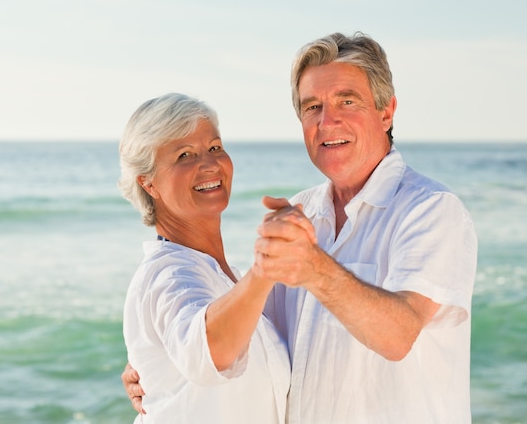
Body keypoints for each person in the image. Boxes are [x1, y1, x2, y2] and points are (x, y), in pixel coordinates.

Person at [123, 33, 478, 423]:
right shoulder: (301, 212)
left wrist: (315, 269)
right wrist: (161, 365)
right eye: (313, 106)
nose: (328, 121)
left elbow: (399, 335)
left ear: (386, 112)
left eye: (347, 100)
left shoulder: (430, 210)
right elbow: (263, 346)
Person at [118, 93, 291, 423]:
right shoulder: (167, 275)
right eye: (184, 155)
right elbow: (208, 352)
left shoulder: (228, 279)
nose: (209, 164)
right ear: (148, 183)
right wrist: (267, 265)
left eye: (214, 147)